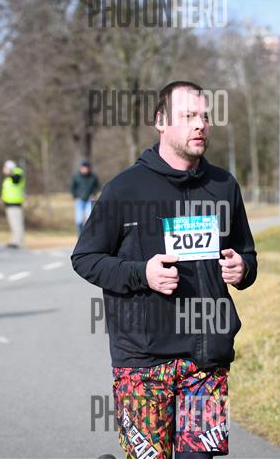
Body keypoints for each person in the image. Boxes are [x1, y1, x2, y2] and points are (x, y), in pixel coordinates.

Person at [72, 81, 257, 459]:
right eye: (188, 116)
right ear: (161, 121)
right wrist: (143, 273)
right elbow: (86, 258)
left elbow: (246, 253)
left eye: (204, 116)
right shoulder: (124, 189)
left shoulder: (223, 186)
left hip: (205, 360)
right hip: (143, 362)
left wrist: (243, 268)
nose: (200, 125)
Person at [70, 160, 100, 233]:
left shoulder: (93, 177)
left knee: (89, 219)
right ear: (81, 168)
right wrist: (75, 196)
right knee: (79, 219)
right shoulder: (76, 176)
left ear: (89, 168)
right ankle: (80, 235)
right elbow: (72, 188)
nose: (85, 169)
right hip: (79, 200)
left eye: (86, 167)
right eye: (83, 167)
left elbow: (97, 187)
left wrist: (94, 194)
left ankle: (88, 235)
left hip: (89, 200)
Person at [1, 160, 25, 248]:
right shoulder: (8, 178)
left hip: (15, 204)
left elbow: (16, 180)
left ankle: (17, 241)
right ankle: (14, 240)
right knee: (13, 224)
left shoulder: (17, 173)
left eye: (5, 168)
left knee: (16, 224)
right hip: (9, 204)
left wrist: (10, 172)